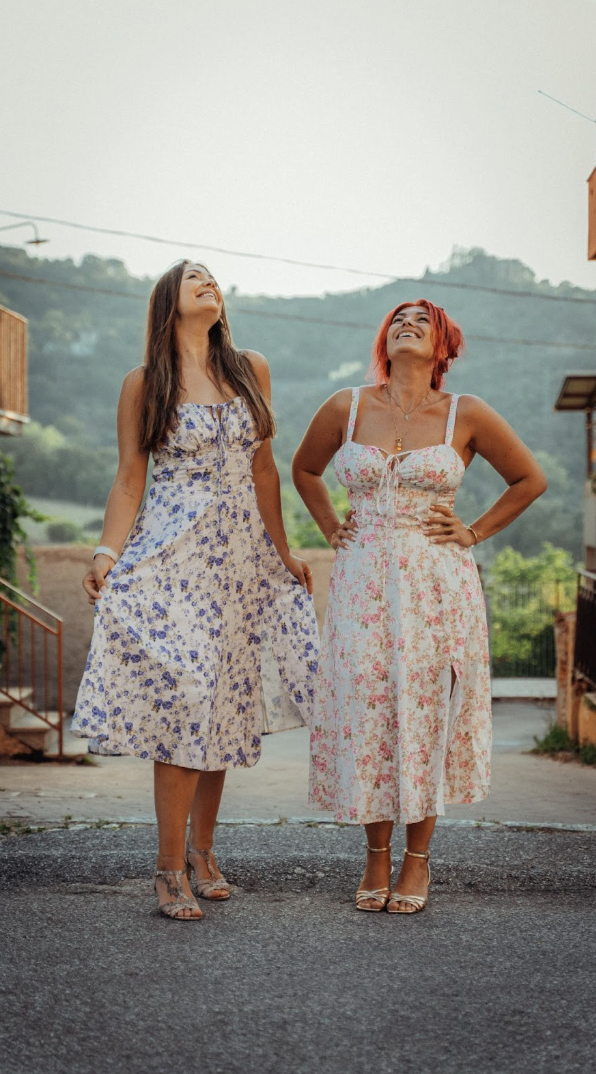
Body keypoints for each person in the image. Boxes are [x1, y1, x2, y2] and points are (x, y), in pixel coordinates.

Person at [72, 260, 318, 920]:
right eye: (195, 278)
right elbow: (130, 480)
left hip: (239, 564)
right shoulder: (143, 383)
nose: (210, 283)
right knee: (185, 703)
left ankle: (203, 853)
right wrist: (105, 552)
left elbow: (264, 470)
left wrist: (283, 555)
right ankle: (167, 867)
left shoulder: (249, 369)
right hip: (169, 560)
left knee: (223, 708)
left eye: (214, 277)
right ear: (168, 302)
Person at [292, 299, 546, 914]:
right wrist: (331, 527)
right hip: (361, 585)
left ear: (443, 346)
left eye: (422, 320)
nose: (407, 323)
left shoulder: (467, 413)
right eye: (398, 319)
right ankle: (374, 856)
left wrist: (474, 532)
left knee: (428, 711)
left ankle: (417, 861)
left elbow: (529, 480)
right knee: (368, 710)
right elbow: (304, 469)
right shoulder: (345, 407)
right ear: (385, 339)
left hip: (437, 585)